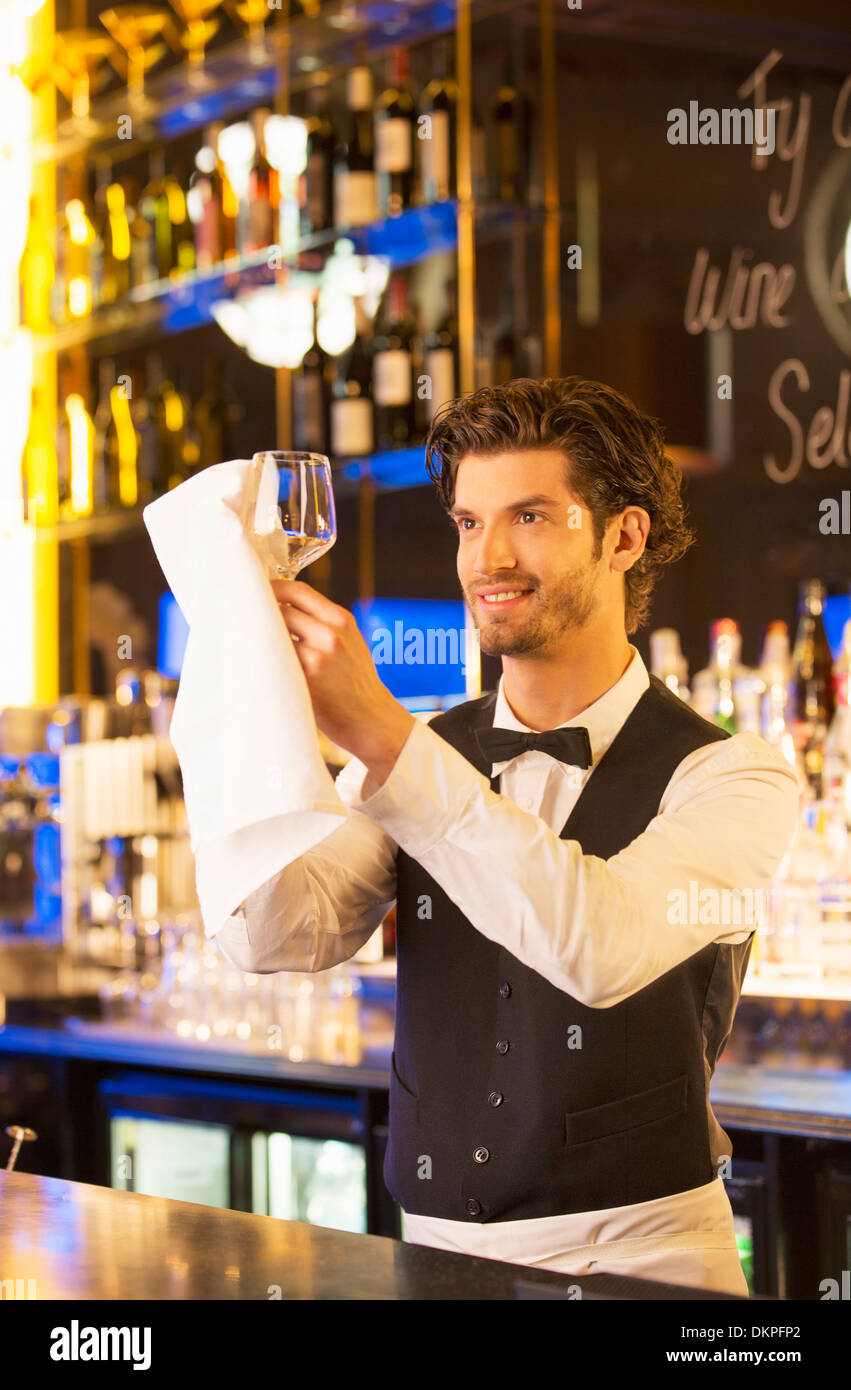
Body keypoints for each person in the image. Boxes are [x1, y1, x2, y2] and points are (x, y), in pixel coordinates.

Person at [216, 376, 799, 1295]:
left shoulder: (734, 776)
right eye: (468, 523)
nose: (489, 557)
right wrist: (245, 700)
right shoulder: (420, 755)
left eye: (529, 516)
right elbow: (276, 935)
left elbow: (600, 946)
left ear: (623, 535)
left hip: (642, 1264)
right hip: (432, 1258)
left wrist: (379, 733)